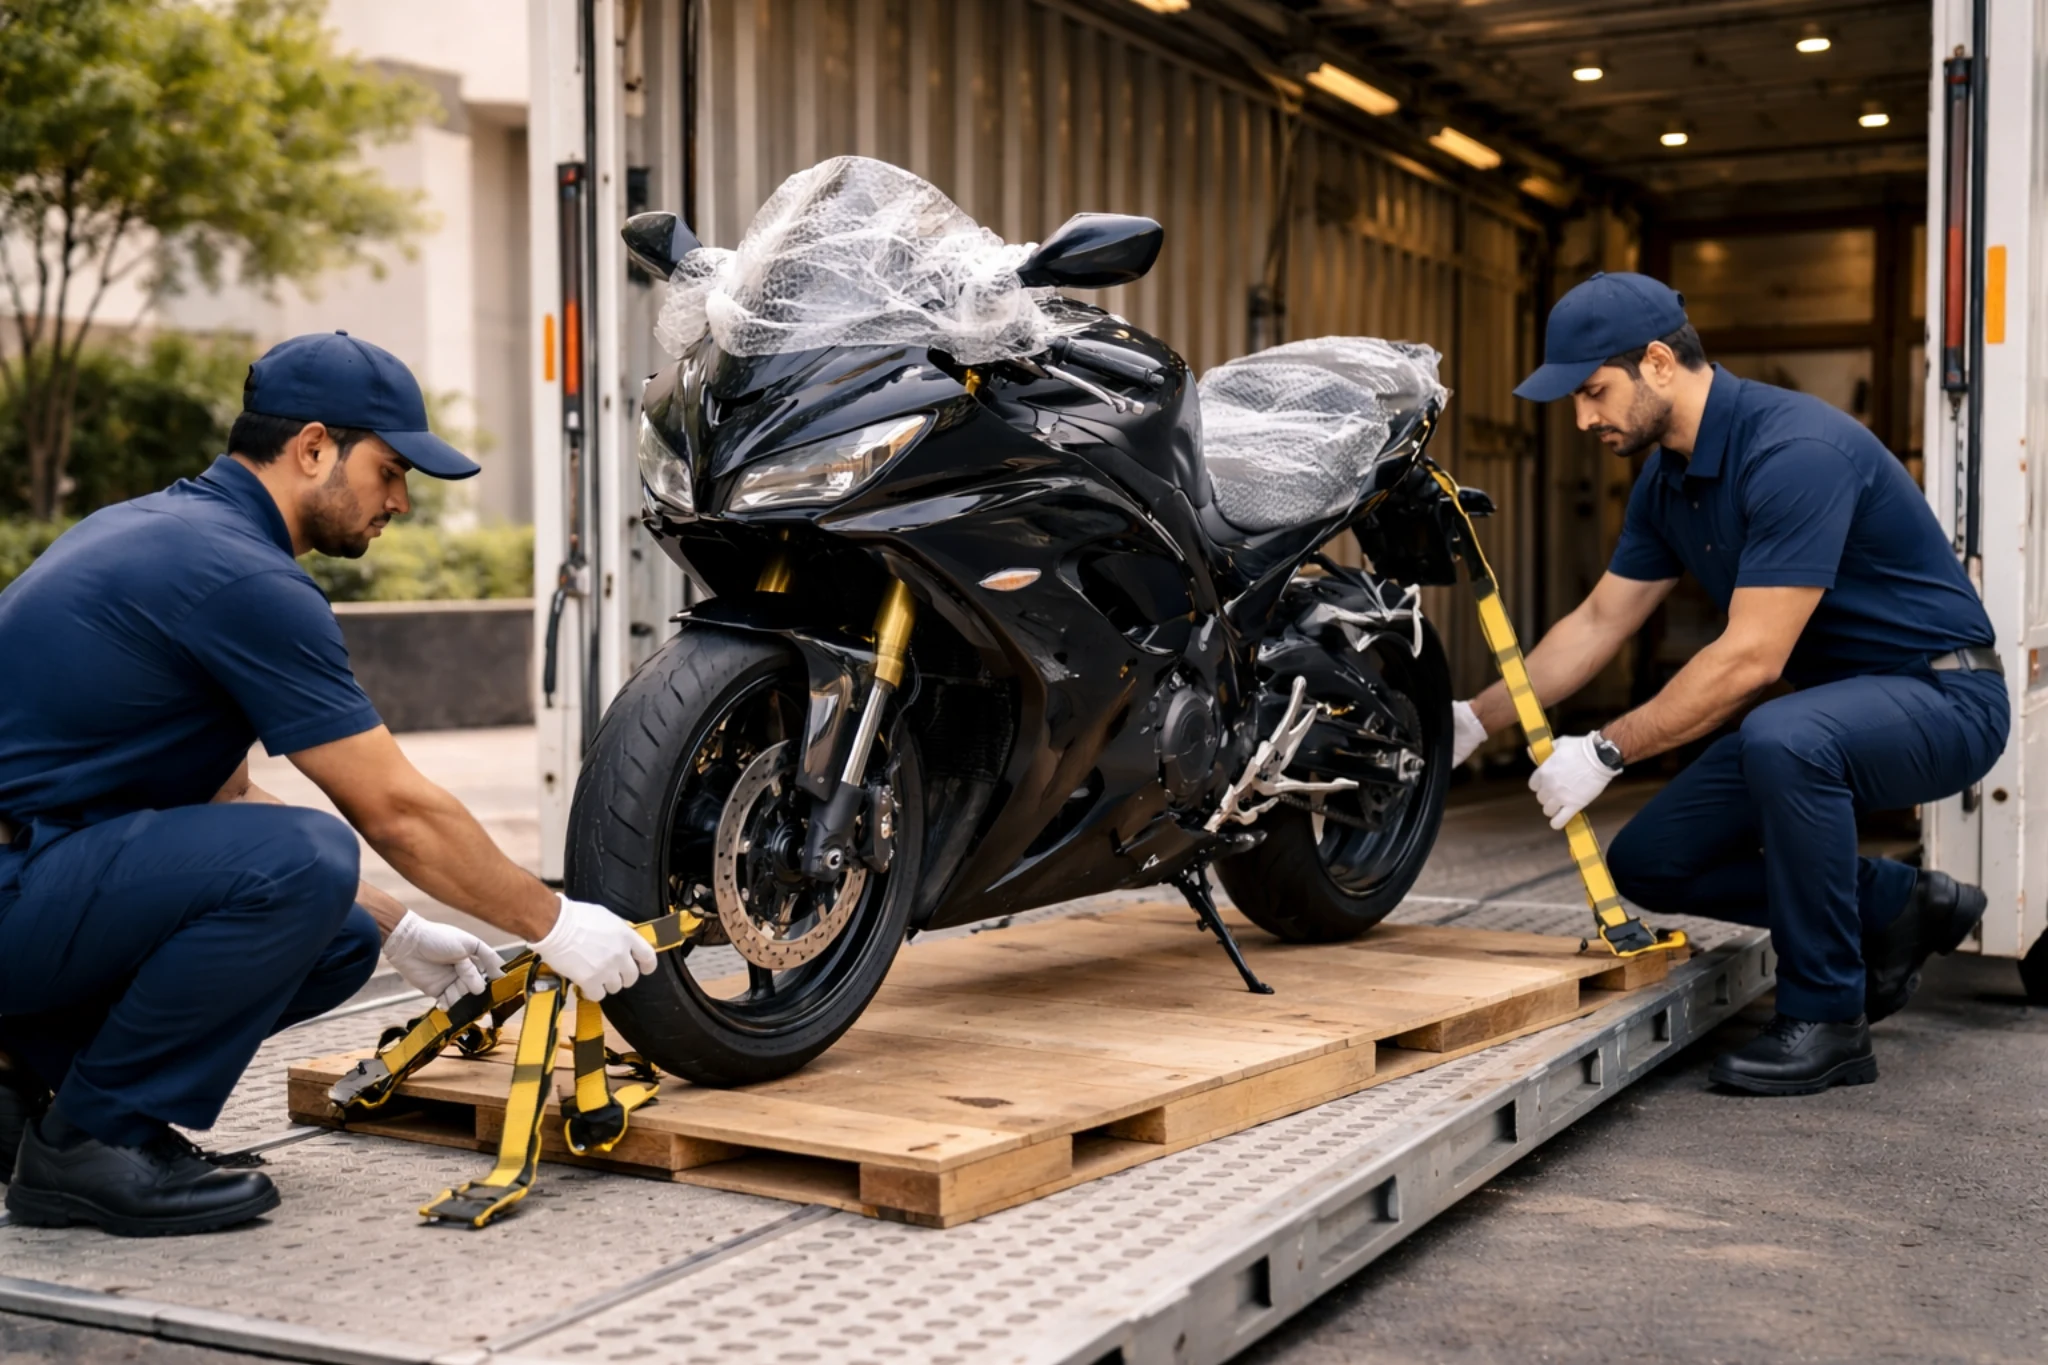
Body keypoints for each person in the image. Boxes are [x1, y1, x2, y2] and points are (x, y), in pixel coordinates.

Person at [0, 332, 657, 1236]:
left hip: (34, 880)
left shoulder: (168, 532)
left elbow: (222, 795)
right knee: (307, 855)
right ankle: (89, 1145)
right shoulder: (241, 576)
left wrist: (403, 927)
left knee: (341, 932)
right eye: (391, 470)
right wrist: (554, 922)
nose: (401, 502)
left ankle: (32, 1090)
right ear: (313, 448)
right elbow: (394, 807)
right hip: (17, 890)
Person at [1452, 273, 2009, 1096]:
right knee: (1649, 861)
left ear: (1658, 363)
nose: (1583, 419)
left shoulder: (1793, 453)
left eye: (1595, 392)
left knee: (1782, 736)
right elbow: (1600, 621)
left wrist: (1605, 749)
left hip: (1943, 700)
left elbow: (1753, 659)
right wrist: (1472, 719)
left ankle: (1827, 1018)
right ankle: (1894, 903)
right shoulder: (1667, 480)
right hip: (1832, 707)